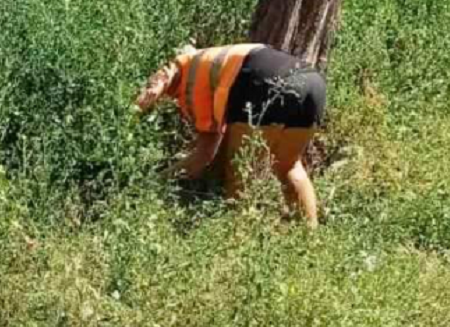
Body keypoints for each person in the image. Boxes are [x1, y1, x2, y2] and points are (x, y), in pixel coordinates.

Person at [135, 43, 325, 227]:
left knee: (240, 171)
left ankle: (237, 236)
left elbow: (203, 155)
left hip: (264, 83)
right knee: (289, 166)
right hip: (313, 82)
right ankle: (309, 237)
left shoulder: (191, 83)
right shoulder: (211, 58)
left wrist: (152, 183)